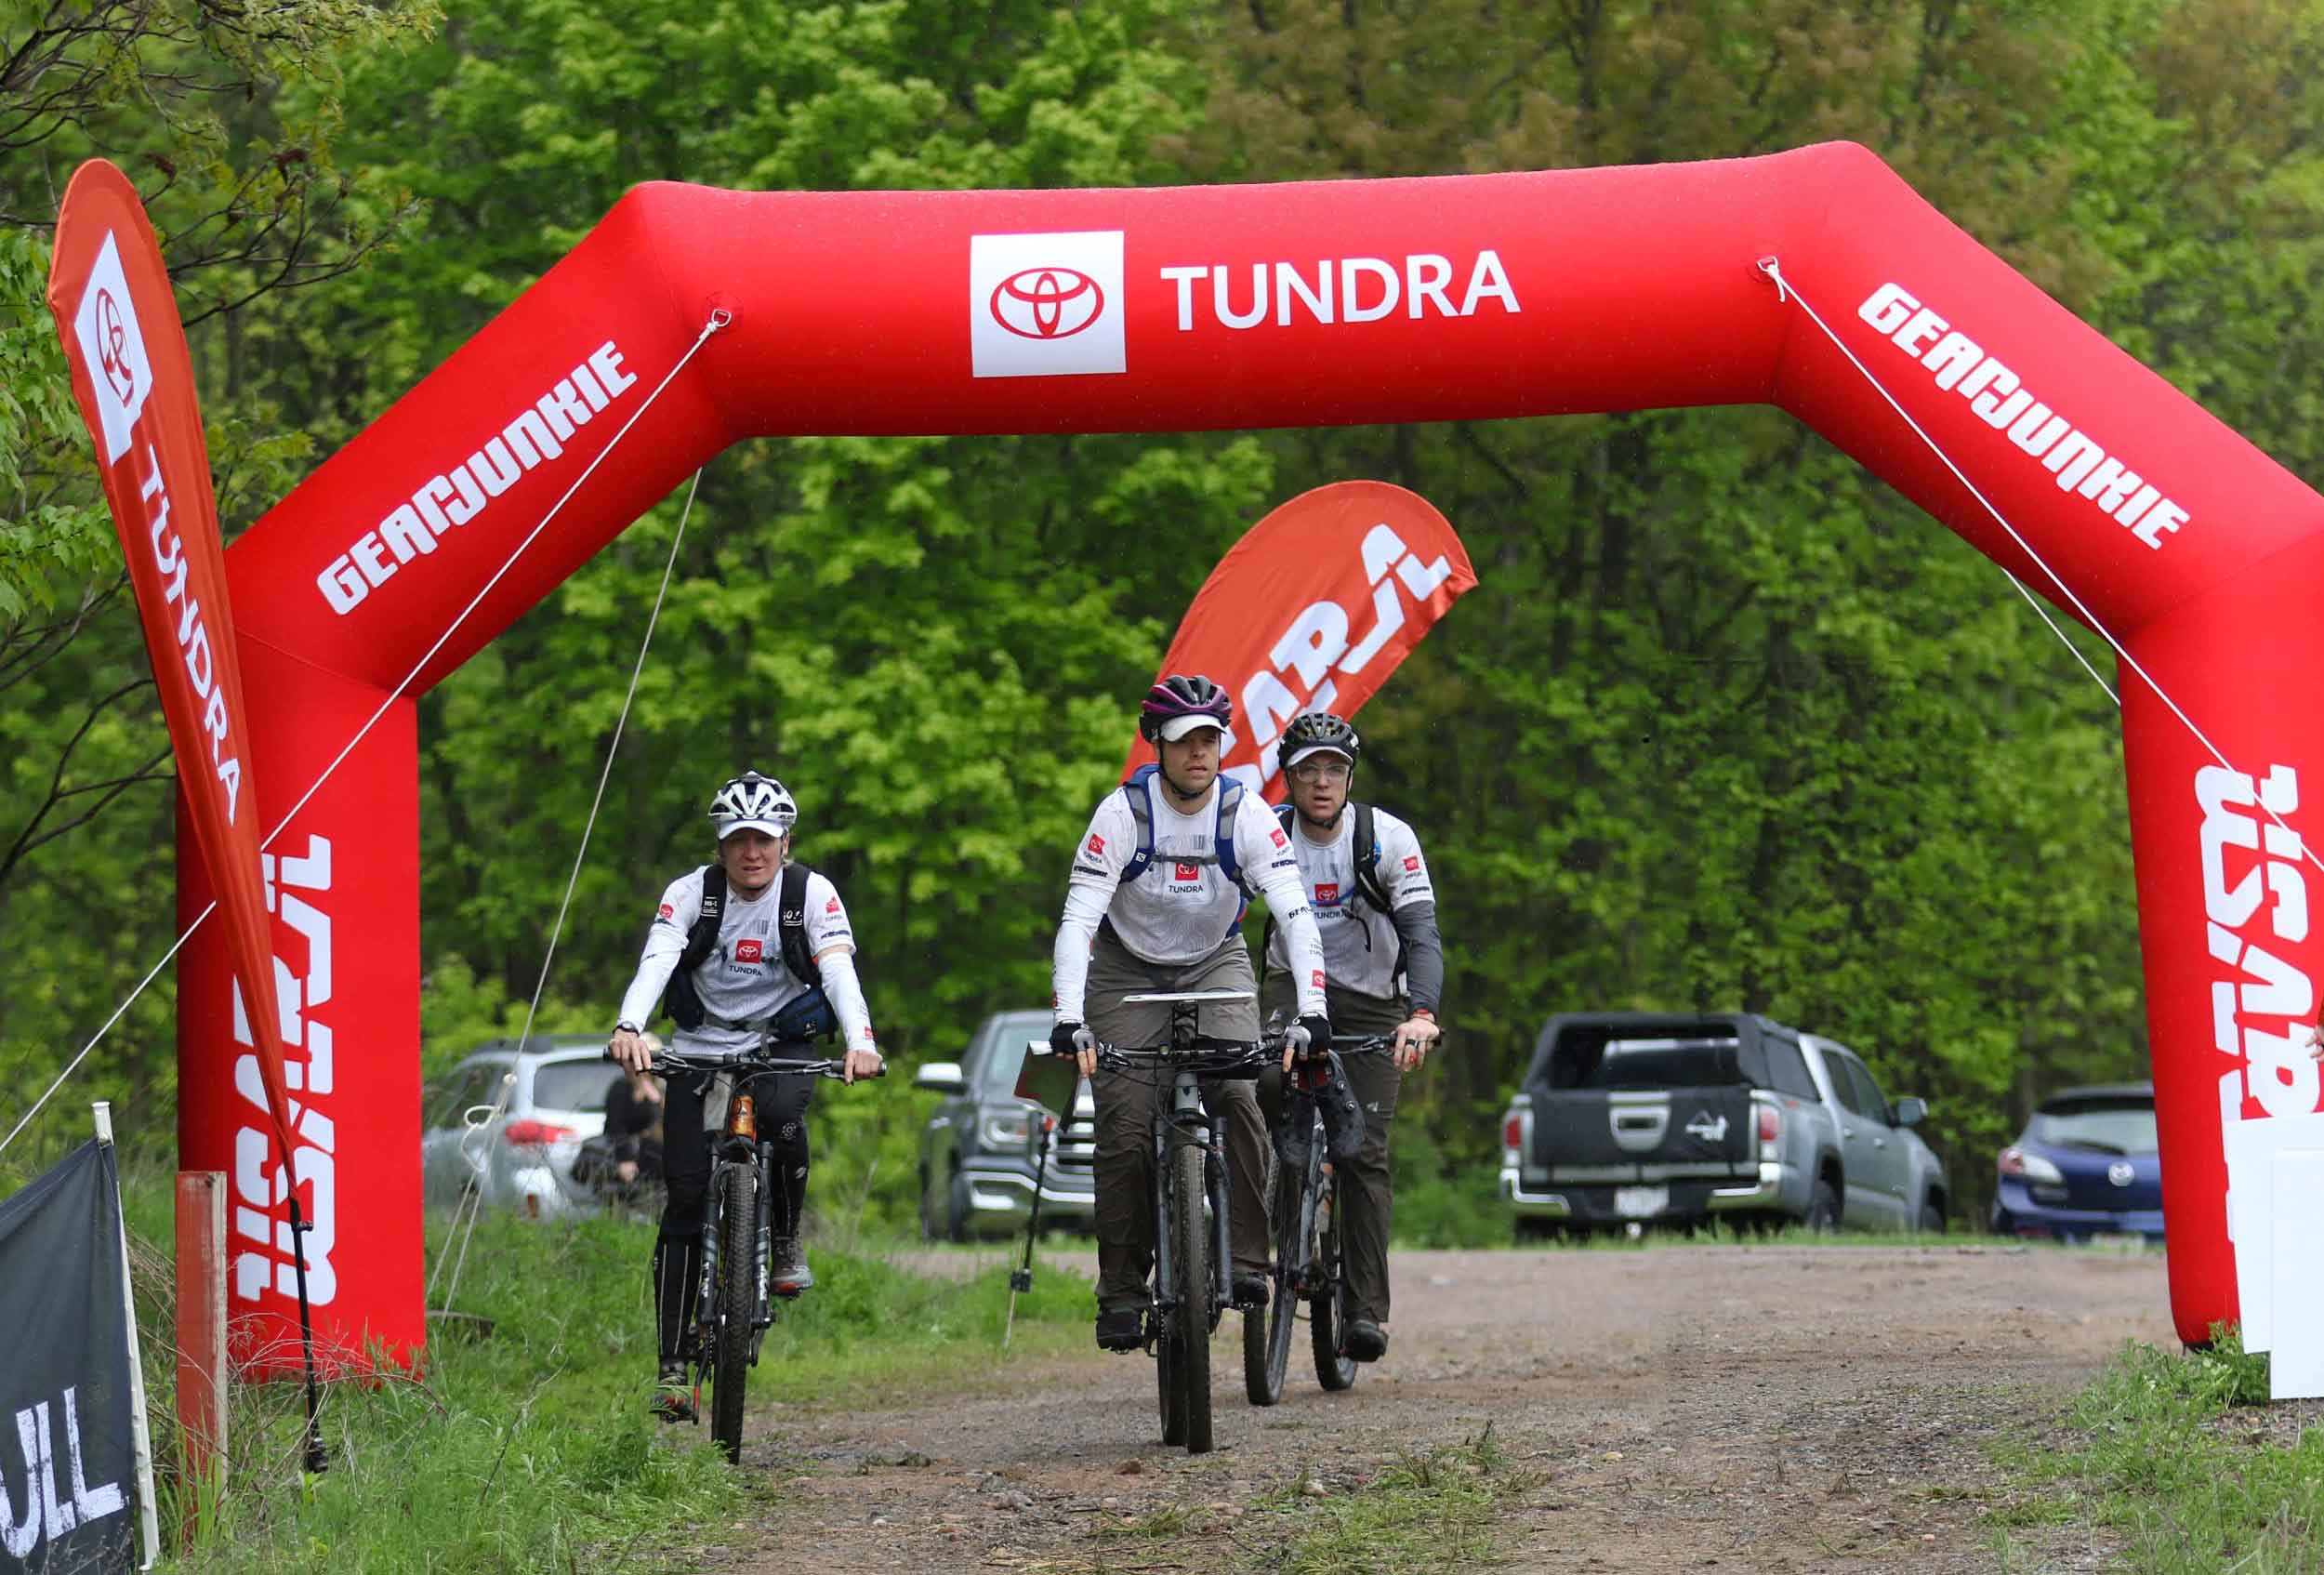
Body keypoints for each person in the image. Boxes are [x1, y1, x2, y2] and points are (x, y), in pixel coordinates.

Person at [1050, 675, 1332, 1353]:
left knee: (1239, 1094)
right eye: (1184, 742)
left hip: (1217, 961)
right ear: (1158, 745)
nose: (1199, 754)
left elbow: (1295, 912)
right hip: (1127, 968)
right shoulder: (1122, 815)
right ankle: (1121, 1289)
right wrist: (1068, 1017)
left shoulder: (1248, 815)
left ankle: (1247, 1258)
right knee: (1120, 1124)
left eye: (1210, 740)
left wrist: (1314, 1007)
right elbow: (1078, 920)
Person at [609, 770, 883, 1420]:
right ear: (720, 845)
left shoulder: (811, 894)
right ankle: (672, 1368)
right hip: (699, 1043)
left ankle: (784, 1237)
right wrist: (629, 1026)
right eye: (737, 840)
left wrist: (860, 1039)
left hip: (781, 1042)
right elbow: (659, 958)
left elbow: (838, 968)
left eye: (763, 839)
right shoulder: (690, 895)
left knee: (785, 1118)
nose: (751, 852)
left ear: (786, 841)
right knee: (681, 1192)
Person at [1258, 709, 1443, 1365]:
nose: (1323, 782)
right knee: (1262, 1091)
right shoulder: (1265, 833)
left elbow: (1422, 934)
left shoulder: (1386, 839)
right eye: (1309, 771)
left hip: (1371, 1002)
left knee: (1363, 1151)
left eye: (1334, 769)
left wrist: (1420, 1014)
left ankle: (1365, 1311)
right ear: (1290, 779)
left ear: (1349, 776)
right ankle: (1261, 1248)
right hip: (1289, 989)